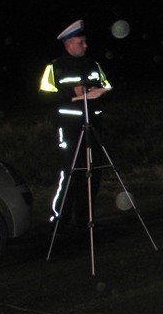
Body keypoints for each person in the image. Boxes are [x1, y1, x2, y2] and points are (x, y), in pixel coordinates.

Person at [39, 19, 113, 231]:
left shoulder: (94, 65)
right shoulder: (54, 68)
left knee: (93, 172)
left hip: (93, 125)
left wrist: (99, 92)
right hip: (69, 127)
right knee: (71, 173)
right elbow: (44, 96)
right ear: (69, 44)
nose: (85, 45)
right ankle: (59, 220)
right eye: (81, 42)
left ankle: (85, 219)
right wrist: (72, 93)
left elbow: (108, 88)